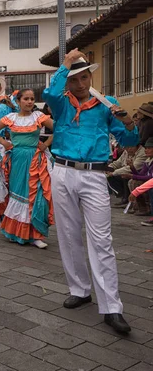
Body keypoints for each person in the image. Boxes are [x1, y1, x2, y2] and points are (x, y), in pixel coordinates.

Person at [43, 50, 139, 334]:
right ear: (68, 81)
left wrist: (127, 121)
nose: (81, 83)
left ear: (91, 77)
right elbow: (49, 91)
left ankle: (111, 307)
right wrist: (66, 64)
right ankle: (80, 288)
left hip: (95, 174)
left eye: (85, 77)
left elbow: (130, 140)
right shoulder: (60, 104)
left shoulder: (106, 105)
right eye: (74, 78)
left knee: (101, 240)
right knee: (68, 233)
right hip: (61, 170)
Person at [0, 89, 55, 249]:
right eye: (26, 99)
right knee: (17, 194)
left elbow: (60, 128)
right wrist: (4, 142)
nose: (30, 101)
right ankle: (15, 232)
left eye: (32, 99)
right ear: (18, 101)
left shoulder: (38, 116)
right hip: (16, 159)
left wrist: (46, 144)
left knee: (37, 194)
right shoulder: (11, 118)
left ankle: (35, 234)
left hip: (35, 160)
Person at [125, 138, 153, 216]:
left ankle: (146, 208)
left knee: (136, 182)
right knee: (132, 181)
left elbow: (150, 177)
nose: (146, 150)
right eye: (146, 148)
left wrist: (133, 176)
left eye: (149, 148)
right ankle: (139, 206)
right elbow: (141, 175)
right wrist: (132, 167)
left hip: (151, 183)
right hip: (150, 183)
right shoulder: (148, 161)